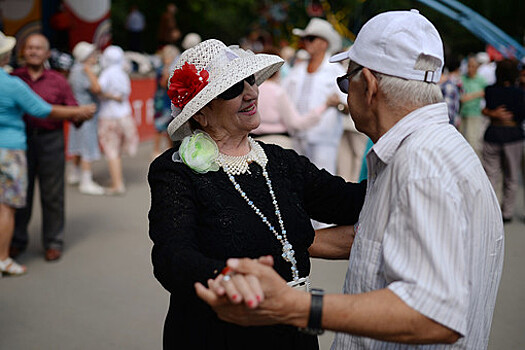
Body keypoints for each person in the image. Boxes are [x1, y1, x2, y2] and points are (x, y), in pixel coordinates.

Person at [196, 10, 505, 350]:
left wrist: (297, 306)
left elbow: (434, 314)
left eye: (346, 82)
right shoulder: (432, 150)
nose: (345, 93)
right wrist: (272, 238)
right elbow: (374, 237)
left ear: (369, 85)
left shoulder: (422, 165)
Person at [147, 39, 367, 349]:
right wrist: (225, 278)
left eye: (250, 81)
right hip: (219, 335)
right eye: (232, 88)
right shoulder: (177, 171)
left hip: (291, 333)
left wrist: (399, 154)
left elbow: (352, 202)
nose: (251, 93)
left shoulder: (280, 161)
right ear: (201, 113)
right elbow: (172, 256)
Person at [0, 31, 94, 275]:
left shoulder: (58, 80)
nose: (33, 51)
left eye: (38, 48)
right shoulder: (14, 78)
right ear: (22, 52)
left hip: (50, 141)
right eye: (29, 48)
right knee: (20, 197)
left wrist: (80, 115)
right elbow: (43, 109)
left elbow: (72, 108)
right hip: (21, 142)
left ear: (47, 53)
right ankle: (16, 242)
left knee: (52, 194)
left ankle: (53, 242)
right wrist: (79, 111)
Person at [283, 18, 345, 175]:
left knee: (324, 185)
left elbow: (347, 104)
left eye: (310, 38)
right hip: (297, 137)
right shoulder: (298, 69)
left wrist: (336, 104)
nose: (306, 42)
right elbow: (282, 95)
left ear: (324, 44)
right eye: (305, 39)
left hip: (323, 140)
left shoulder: (335, 70)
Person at [251, 47, 341, 149]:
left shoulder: (251, 90)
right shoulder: (277, 92)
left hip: (253, 142)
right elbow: (297, 123)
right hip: (278, 143)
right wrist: (325, 106)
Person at [481, 59, 525, 223]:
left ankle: (490, 210)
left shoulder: (490, 90)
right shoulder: (520, 93)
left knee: (491, 175)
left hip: (493, 133)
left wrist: (493, 114)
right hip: (513, 135)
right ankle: (507, 212)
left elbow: (486, 108)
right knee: (511, 177)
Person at [97, 45, 138, 195]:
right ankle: (117, 179)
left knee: (111, 151)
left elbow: (98, 89)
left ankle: (117, 184)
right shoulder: (123, 73)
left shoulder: (106, 74)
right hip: (125, 116)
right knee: (118, 151)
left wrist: (110, 96)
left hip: (109, 117)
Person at [67, 41, 105, 195]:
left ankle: (74, 173)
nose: (95, 57)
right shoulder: (82, 71)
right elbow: (97, 88)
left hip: (78, 113)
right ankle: (86, 180)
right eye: (92, 55)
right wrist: (90, 72)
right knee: (87, 146)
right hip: (87, 114)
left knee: (77, 143)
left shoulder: (74, 70)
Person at [151, 45, 179, 159]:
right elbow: (163, 83)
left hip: (168, 101)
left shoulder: (169, 68)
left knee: (169, 128)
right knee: (159, 127)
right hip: (161, 102)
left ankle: (169, 149)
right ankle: (156, 150)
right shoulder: (162, 69)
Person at [459, 55, 488, 157]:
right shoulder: (463, 78)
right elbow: (460, 96)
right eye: (468, 66)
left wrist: (470, 96)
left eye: (472, 66)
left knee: (473, 142)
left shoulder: (481, 80)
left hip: (474, 113)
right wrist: (475, 95)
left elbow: (485, 93)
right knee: (461, 141)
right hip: (462, 113)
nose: (470, 69)